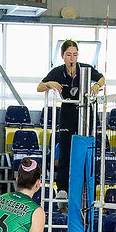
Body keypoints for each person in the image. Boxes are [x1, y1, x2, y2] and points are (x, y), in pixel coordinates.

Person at [37, 39, 105, 198]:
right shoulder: (57, 71)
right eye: (68, 55)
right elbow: (40, 86)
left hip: (86, 111)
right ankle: (62, 189)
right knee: (65, 149)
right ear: (63, 56)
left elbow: (101, 78)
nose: (72, 58)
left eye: (75, 54)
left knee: (87, 150)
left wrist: (97, 85)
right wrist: (50, 84)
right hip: (68, 111)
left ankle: (87, 188)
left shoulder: (86, 69)